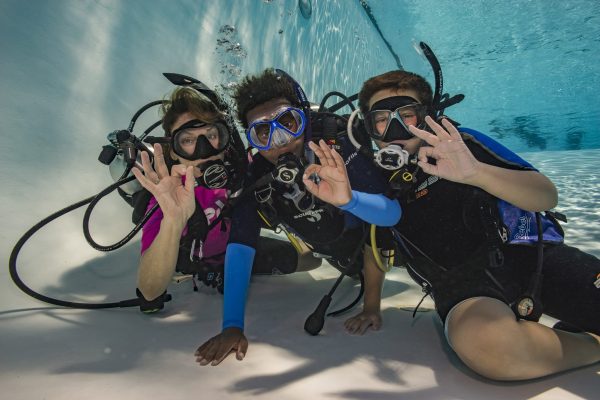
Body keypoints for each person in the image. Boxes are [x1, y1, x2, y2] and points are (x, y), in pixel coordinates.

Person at [323, 69, 600, 380]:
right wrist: (371, 306)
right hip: (462, 289)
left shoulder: (462, 145)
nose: (396, 128)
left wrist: (476, 173)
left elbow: (546, 196)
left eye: (408, 115)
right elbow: (377, 245)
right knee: (493, 348)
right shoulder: (374, 179)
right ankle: (590, 345)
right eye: (383, 118)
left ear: (428, 116)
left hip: (530, 258)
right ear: (369, 127)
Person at [194, 68, 402, 366]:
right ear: (252, 140)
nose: (279, 141)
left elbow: (389, 218)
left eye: (287, 123)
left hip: (369, 245)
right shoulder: (257, 177)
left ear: (304, 119)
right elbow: (240, 245)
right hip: (328, 250)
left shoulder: (339, 145)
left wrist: (372, 306)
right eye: (263, 132)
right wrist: (232, 326)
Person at [131, 85, 319, 313]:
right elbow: (150, 293)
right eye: (188, 140)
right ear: (173, 150)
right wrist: (173, 220)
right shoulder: (168, 195)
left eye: (211, 136)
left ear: (223, 138)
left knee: (312, 261)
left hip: (237, 251)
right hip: (192, 262)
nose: (204, 150)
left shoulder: (241, 171)